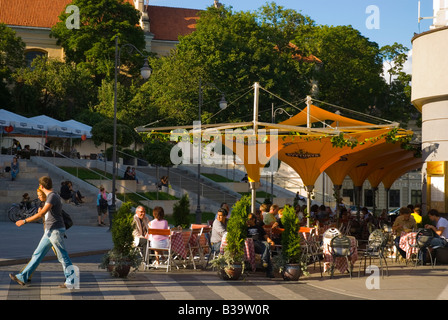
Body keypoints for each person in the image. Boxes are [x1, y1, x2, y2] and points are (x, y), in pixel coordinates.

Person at [9, 176, 75, 289]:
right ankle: (23, 277)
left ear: (41, 186)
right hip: (49, 231)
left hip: (55, 231)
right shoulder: (51, 196)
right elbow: (47, 213)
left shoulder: (52, 196)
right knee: (37, 254)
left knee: (62, 256)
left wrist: (24, 221)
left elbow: (41, 214)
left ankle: (72, 281)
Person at [247, 213, 275, 278]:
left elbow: (266, 237)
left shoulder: (259, 227)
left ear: (253, 220)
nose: (247, 221)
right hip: (251, 244)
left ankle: (264, 261)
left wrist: (271, 241)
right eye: (247, 219)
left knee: (267, 245)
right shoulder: (246, 228)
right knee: (266, 248)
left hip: (260, 244)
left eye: (249, 219)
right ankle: (268, 270)